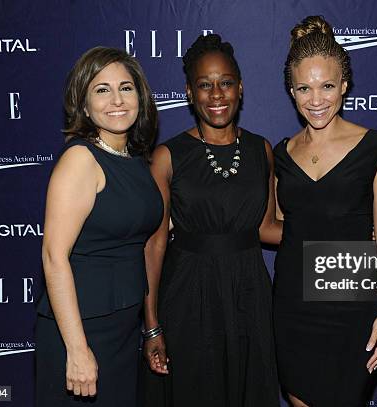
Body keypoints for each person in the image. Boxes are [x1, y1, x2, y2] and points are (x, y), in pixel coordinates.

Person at [272, 16, 377, 407]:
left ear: (344, 86)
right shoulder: (282, 154)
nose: (316, 99)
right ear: (291, 91)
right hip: (293, 306)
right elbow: (280, 225)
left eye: (327, 86)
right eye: (304, 88)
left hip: (352, 308)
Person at [142, 34, 280, 406]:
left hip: (249, 292)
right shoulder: (168, 157)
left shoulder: (260, 150)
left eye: (226, 83)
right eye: (205, 85)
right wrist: (151, 324)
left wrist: (339, 233)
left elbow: (268, 227)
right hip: (189, 294)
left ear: (241, 88)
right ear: (189, 92)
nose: (216, 94)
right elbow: (154, 244)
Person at [35, 47, 163, 406]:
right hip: (81, 331)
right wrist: (76, 351)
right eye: (102, 89)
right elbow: (53, 257)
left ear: (140, 96)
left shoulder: (134, 158)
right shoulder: (81, 159)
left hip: (122, 328)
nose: (117, 100)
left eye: (126, 87)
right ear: (84, 104)